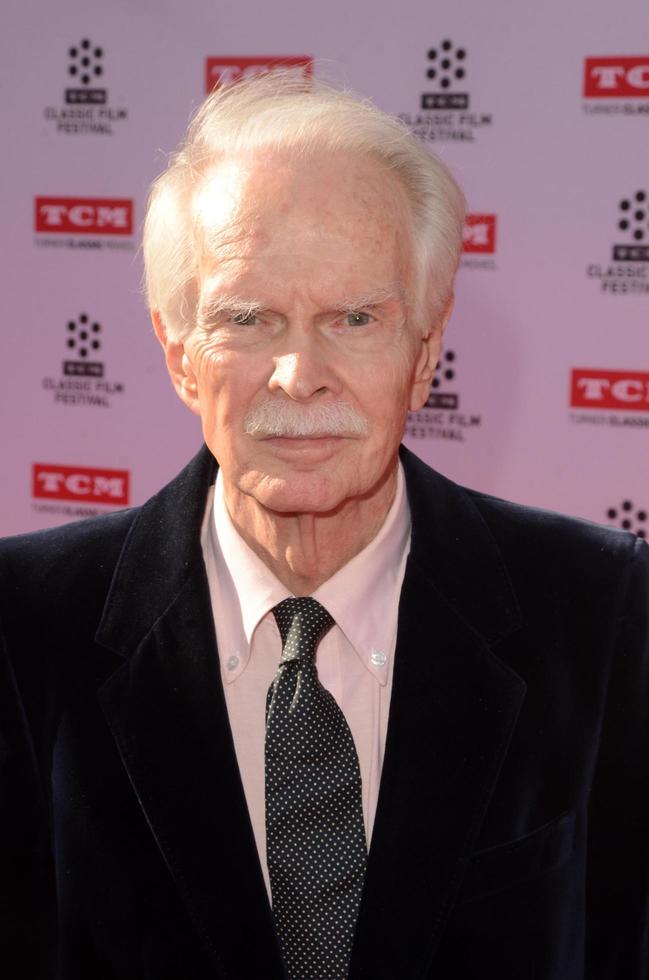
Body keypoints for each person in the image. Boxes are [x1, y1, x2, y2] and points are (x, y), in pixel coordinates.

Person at [1, 71, 648, 980]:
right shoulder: (24, 627)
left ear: (424, 355)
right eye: (249, 319)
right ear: (179, 354)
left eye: (354, 317)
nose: (299, 374)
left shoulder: (606, 612)